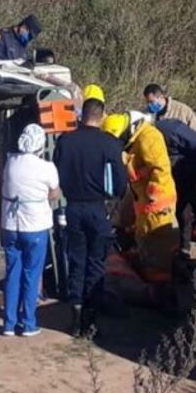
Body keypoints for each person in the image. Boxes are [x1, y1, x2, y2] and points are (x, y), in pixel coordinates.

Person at [54, 98, 128, 336]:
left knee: (76, 260)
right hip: (98, 208)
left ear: (81, 115)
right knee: (96, 262)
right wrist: (113, 200)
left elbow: (57, 173)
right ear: (102, 115)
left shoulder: (65, 141)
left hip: (73, 207)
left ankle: (75, 317)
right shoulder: (109, 143)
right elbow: (119, 180)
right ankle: (90, 320)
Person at [103, 111, 179, 309]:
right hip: (145, 202)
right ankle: (156, 291)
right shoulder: (137, 140)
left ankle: (163, 298)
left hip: (156, 205)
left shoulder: (149, 137)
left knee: (157, 251)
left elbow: (161, 169)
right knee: (146, 244)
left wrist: (154, 194)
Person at [0, 123, 61, 337]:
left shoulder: (10, 163)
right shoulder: (46, 167)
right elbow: (54, 193)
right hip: (34, 226)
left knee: (12, 272)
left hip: (9, 225)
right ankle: (28, 322)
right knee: (31, 273)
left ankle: (9, 322)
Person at [154, 117, 196, 273]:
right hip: (177, 179)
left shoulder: (171, 128)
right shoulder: (150, 136)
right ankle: (184, 254)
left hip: (195, 176)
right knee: (182, 216)